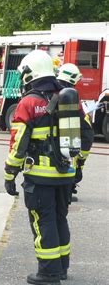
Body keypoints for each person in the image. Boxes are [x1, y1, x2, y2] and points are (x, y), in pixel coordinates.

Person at [4, 50, 93, 285]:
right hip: (66, 174)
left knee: (43, 221)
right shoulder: (68, 97)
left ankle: (48, 273)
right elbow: (86, 135)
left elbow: (19, 142)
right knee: (59, 218)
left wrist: (9, 173)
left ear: (30, 73)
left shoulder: (29, 102)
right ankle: (62, 267)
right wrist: (79, 164)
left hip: (40, 177)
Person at [56, 63, 91, 202]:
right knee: (70, 161)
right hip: (69, 137)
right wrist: (81, 163)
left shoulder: (50, 92)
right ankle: (67, 192)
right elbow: (86, 130)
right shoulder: (71, 97)